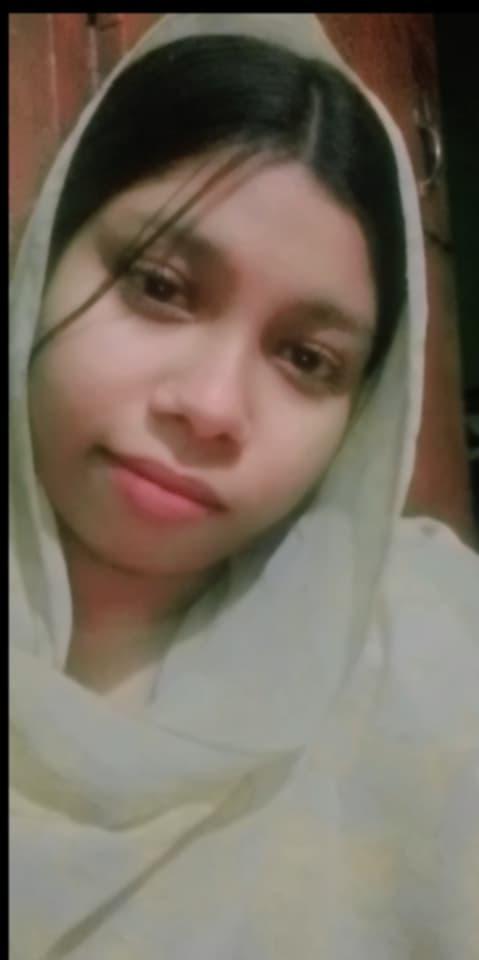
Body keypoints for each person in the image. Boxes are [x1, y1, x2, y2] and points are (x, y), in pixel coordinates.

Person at [10, 14, 479, 959]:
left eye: (306, 358)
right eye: (160, 285)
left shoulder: (436, 655)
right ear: (42, 264)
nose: (212, 407)